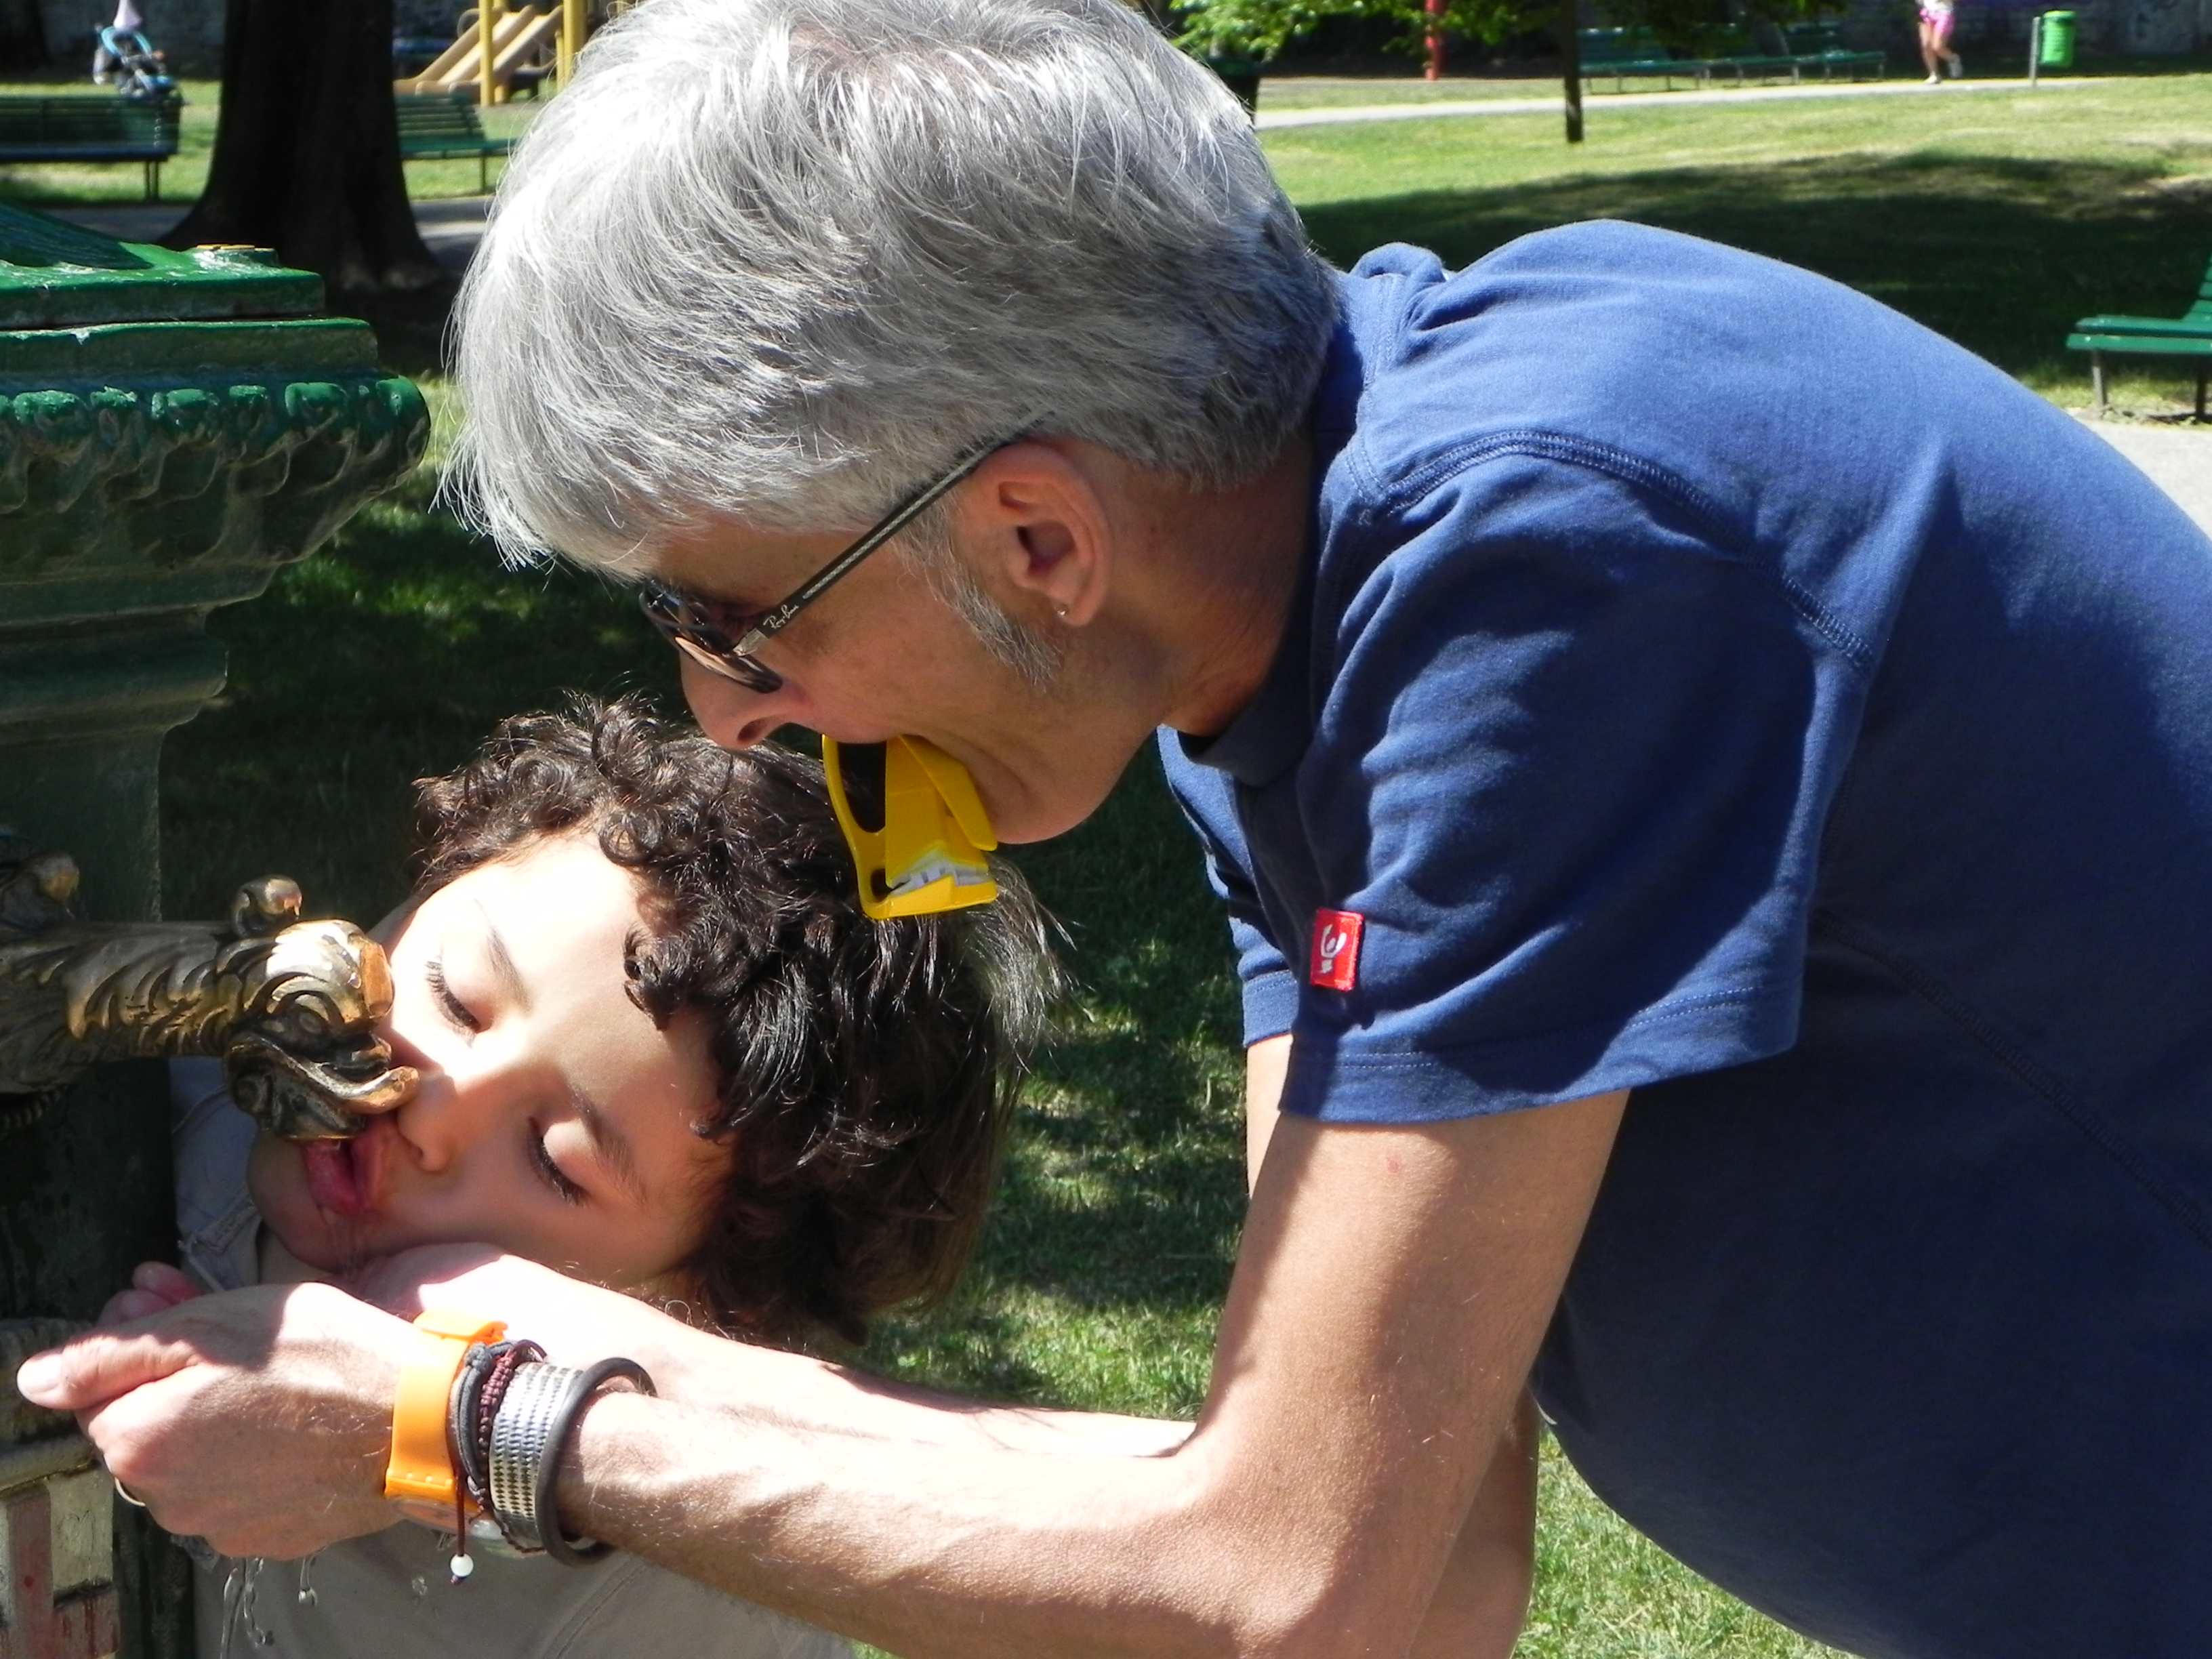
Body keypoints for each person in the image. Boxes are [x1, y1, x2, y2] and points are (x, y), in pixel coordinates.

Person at [23, 1, 2212, 1656]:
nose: (728, 715)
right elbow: (1413, 1535)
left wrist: (467, 1417)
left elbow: (1301, 1571)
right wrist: (507, 1365)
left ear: (1039, 531)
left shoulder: (1548, 567)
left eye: (736, 613)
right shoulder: (1278, 658)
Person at [114, 696, 1054, 1658]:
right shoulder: (148, 1099)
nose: (432, 1105)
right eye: (455, 995)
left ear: (691, 1302)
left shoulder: (673, 1598)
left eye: (554, 1162)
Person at [1917, 0, 1963, 82]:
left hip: (1944, 13)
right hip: (1926, 13)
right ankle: (1934, 74)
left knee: (1938, 47)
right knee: (1926, 45)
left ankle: (1952, 59)